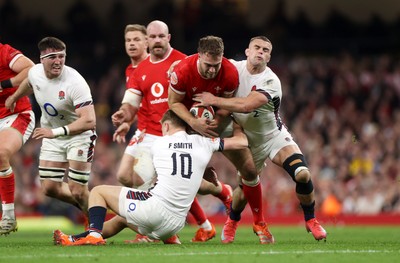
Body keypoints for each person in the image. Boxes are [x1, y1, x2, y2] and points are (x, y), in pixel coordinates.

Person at [193, 36, 328, 242]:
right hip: (248, 140)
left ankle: (311, 219)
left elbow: (247, 105)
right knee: (245, 187)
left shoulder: (271, 81)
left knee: (302, 174)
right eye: (257, 48)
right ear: (247, 51)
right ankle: (233, 221)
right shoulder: (232, 69)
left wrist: (213, 100)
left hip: (273, 136)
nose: (260, 52)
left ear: (269, 57)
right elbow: (205, 61)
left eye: (265, 50)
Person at [111, 20, 232, 243]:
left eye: (160, 36)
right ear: (149, 40)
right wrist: (124, 116)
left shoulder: (183, 62)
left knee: (163, 182)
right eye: (152, 37)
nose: (156, 40)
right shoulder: (139, 69)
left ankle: (153, 231)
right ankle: (218, 197)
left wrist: (197, 125)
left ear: (168, 38)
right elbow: (133, 102)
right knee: (125, 176)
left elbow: (199, 96)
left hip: (174, 133)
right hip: (147, 132)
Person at [53, 109, 248, 246]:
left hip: (154, 212)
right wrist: (237, 122)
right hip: (175, 225)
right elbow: (241, 141)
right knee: (122, 219)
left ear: (165, 126)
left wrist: (136, 140)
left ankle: (93, 235)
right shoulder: (204, 143)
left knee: (99, 192)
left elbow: (135, 178)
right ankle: (76, 238)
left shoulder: (157, 144)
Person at [168, 35, 273, 244]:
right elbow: (173, 102)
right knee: (181, 176)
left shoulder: (230, 73)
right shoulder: (182, 71)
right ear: (199, 56)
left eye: (216, 65)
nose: (212, 70)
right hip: (184, 121)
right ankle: (176, 227)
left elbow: (227, 104)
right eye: (207, 65)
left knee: (250, 169)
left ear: (222, 58)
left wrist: (217, 119)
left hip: (217, 120)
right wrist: (193, 122)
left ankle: (259, 222)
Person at [5, 37, 96, 222]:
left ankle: (96, 223)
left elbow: (89, 121)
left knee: (77, 189)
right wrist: (14, 97)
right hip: (53, 135)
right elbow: (29, 83)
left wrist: (54, 132)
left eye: (61, 56)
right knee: (49, 188)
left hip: (78, 135)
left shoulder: (75, 82)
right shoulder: (35, 72)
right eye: (52, 56)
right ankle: (97, 205)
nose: (58, 61)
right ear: (41, 59)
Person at [0, 43, 35, 235]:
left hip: (15, 113)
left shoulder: (4, 52)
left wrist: (4, 85)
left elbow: (31, 69)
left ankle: (8, 216)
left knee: (1, 152)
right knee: (55, 188)